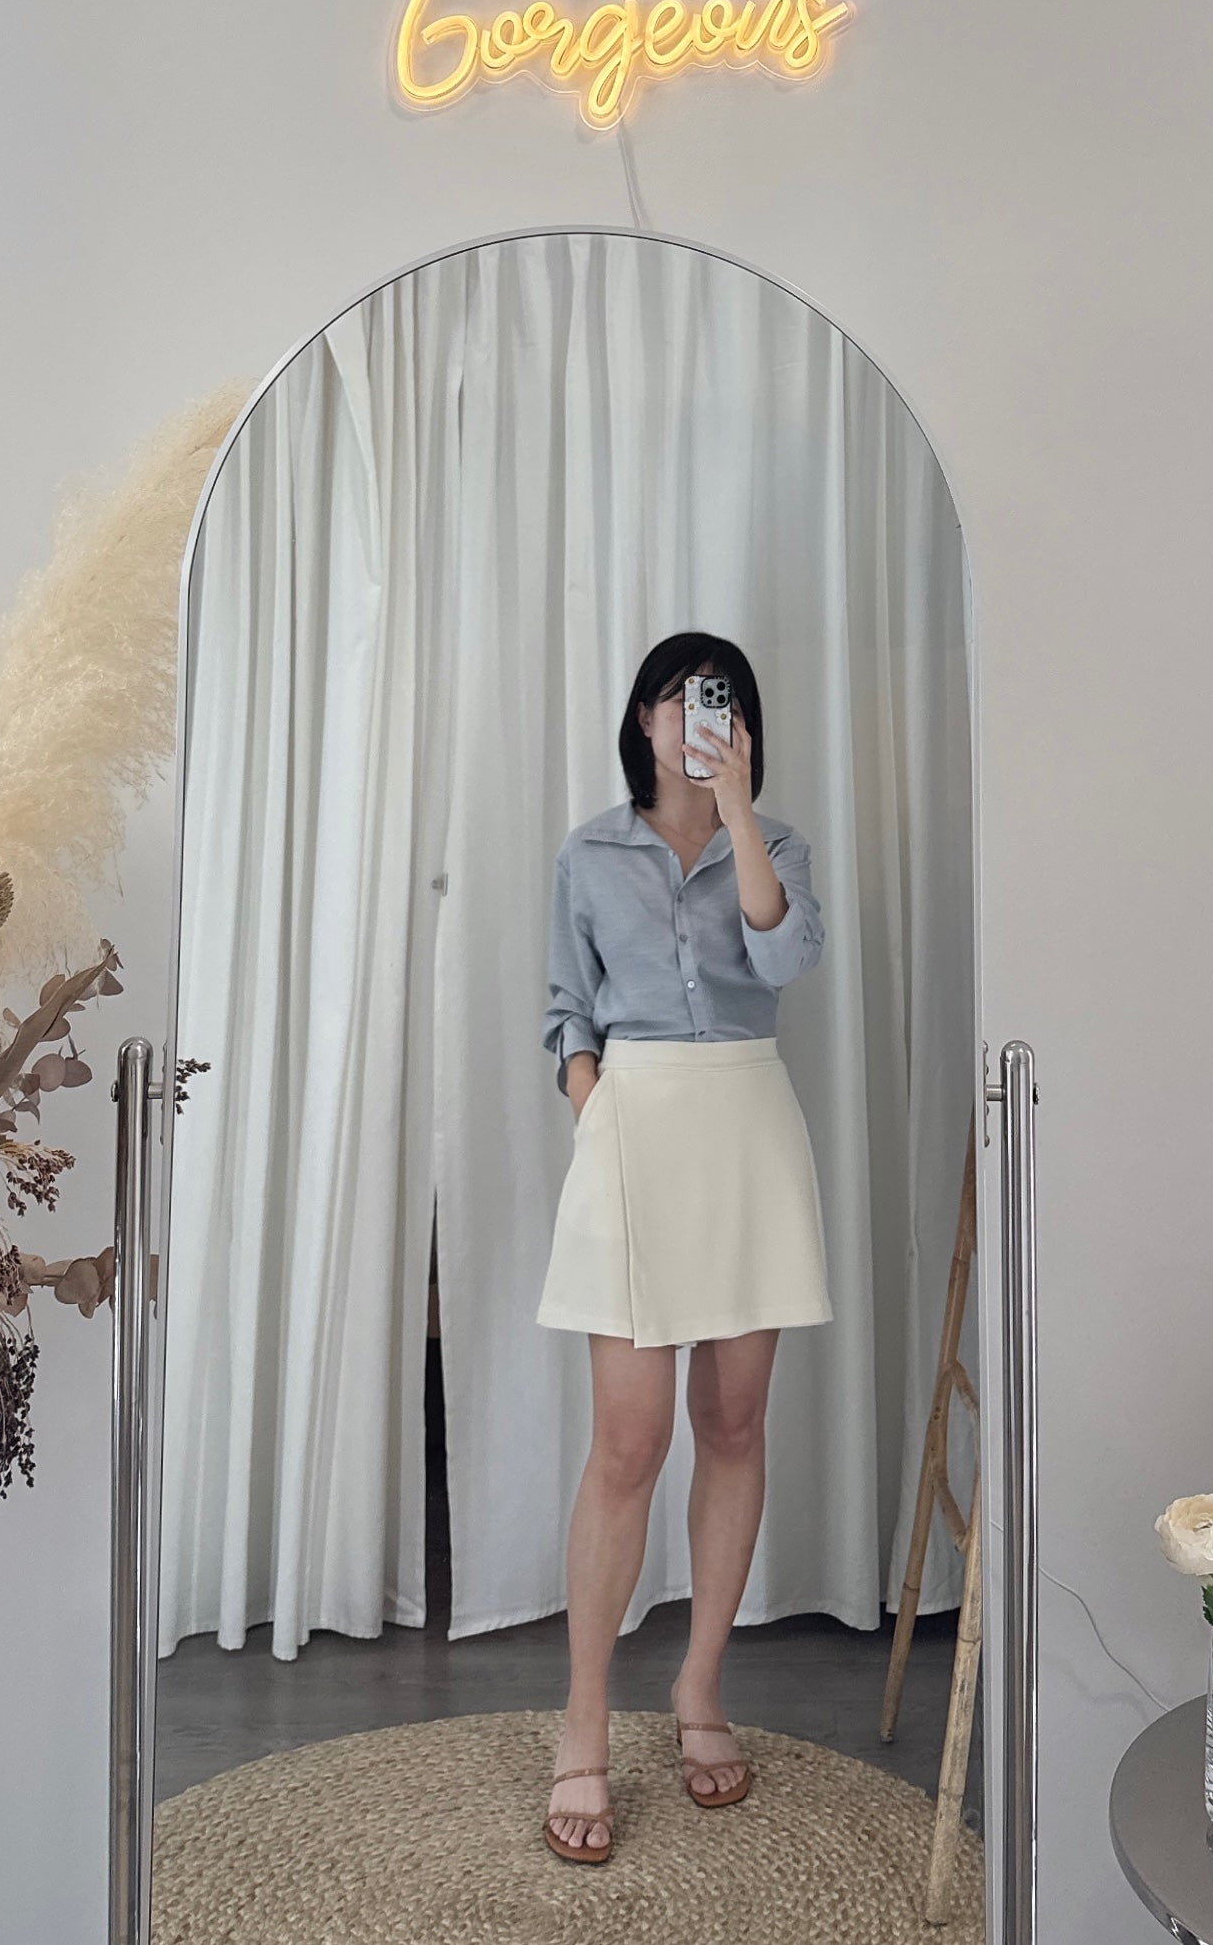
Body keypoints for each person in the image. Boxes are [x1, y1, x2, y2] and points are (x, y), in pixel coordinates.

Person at [534, 631, 833, 1864]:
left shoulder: (779, 844)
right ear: (641, 718)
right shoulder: (588, 852)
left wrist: (738, 810)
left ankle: (699, 1682)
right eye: (671, 699)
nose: (689, 717)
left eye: (714, 701)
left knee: (733, 1422)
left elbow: (783, 952)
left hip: (745, 1123)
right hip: (634, 1125)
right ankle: (584, 1714)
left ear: (740, 723)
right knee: (626, 1439)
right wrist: (594, 1102)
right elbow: (565, 1004)